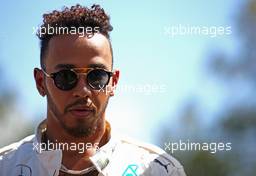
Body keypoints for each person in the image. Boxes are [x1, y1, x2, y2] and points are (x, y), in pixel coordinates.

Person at [0, 4, 186, 176]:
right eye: (66, 76)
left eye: (96, 76)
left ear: (113, 82)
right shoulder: (5, 167)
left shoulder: (157, 170)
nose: (83, 90)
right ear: (41, 82)